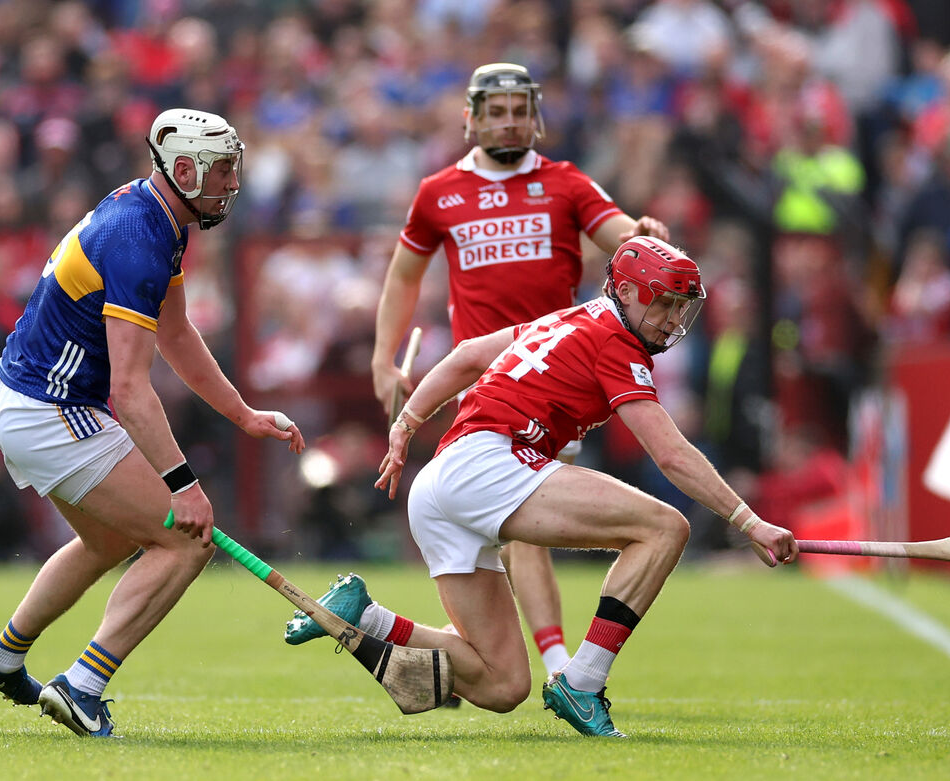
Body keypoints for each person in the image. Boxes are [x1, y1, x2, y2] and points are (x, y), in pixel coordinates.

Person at [285, 237, 797, 737]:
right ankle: (582, 681)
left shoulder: (566, 319)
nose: (672, 318)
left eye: (681, 307)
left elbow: (468, 355)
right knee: (664, 528)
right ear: (624, 291)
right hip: (490, 465)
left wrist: (407, 422)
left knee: (503, 685)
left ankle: (364, 616)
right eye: (662, 302)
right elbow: (670, 454)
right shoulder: (616, 340)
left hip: (440, 483)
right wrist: (749, 522)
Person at [0, 108, 306, 738]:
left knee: (111, 540)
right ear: (184, 170)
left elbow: (176, 332)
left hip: (28, 396)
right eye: (223, 170)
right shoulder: (139, 239)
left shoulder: (159, 218)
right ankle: (82, 687)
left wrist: (242, 414)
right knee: (187, 541)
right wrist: (184, 486)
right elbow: (130, 390)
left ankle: (2, 659)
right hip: (49, 407)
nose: (233, 183)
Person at [356, 62, 672, 678]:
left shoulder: (566, 183)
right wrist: (381, 357)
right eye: (496, 112)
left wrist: (642, 235)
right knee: (504, 524)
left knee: (514, 526)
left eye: (520, 111)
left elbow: (623, 240)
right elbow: (403, 275)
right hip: (481, 374)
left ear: (536, 118)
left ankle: (469, 659)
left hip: (557, 375)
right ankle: (541, 663)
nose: (509, 122)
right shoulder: (439, 192)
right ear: (471, 119)